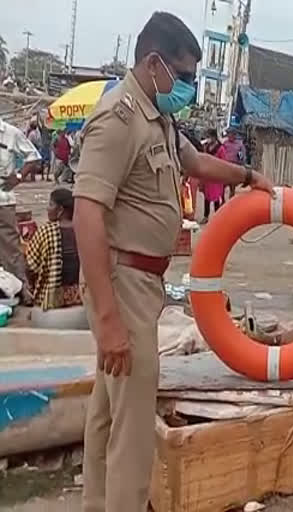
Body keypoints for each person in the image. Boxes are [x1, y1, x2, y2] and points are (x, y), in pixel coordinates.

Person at [73, 12, 273, 512]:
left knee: (107, 412)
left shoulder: (156, 116)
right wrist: (108, 319)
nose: (188, 87)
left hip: (141, 283)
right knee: (134, 431)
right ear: (153, 62)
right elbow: (86, 216)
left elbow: (195, 162)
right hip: (122, 283)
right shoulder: (117, 118)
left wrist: (247, 175)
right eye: (183, 77)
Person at [26, 188, 85, 322]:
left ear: (61, 210)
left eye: (51, 204)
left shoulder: (46, 231)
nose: (47, 208)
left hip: (52, 302)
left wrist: (32, 289)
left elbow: (31, 267)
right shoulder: (83, 229)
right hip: (82, 299)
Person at [0, 118, 40, 304]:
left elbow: (33, 156)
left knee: (11, 251)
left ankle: (23, 291)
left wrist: (18, 176)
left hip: (3, 202)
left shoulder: (11, 133)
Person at [200, 128, 226, 223]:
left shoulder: (220, 148)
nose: (208, 138)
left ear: (214, 137)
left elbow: (223, 162)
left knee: (216, 196)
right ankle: (206, 216)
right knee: (207, 196)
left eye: (210, 136)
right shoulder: (206, 147)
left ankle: (217, 217)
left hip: (216, 175)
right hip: (208, 175)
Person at [221, 128, 246, 201]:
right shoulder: (225, 143)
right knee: (222, 185)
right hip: (225, 166)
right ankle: (223, 200)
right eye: (228, 134)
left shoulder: (239, 145)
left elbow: (242, 157)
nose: (229, 136)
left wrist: (241, 165)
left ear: (235, 135)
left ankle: (230, 201)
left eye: (231, 134)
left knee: (232, 186)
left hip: (234, 167)